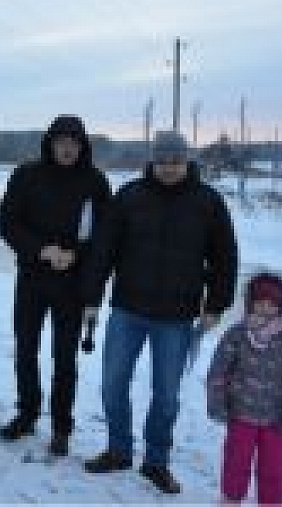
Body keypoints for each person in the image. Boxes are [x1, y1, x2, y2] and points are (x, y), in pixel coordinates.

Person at [81, 130, 238, 494]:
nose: (169, 168)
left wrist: (215, 305)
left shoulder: (207, 202)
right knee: (112, 385)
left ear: (187, 161)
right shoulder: (129, 196)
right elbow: (103, 250)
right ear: (152, 161)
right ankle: (118, 450)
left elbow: (225, 257)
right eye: (162, 161)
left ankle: (156, 461)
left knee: (166, 395)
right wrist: (91, 296)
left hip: (177, 318)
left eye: (176, 161)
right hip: (127, 310)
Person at [0, 115, 111, 456]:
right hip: (32, 278)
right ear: (50, 143)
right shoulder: (26, 175)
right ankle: (27, 413)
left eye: (74, 142)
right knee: (25, 350)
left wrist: (76, 257)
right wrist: (42, 250)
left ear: (83, 146)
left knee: (64, 358)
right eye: (61, 141)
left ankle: (62, 426)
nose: (67, 148)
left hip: (72, 285)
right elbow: (7, 224)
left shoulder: (95, 181)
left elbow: (104, 237)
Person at [206, 271, 282, 505]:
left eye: (272, 304)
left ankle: (271, 501)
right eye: (260, 302)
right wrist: (217, 404)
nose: (265, 308)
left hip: (275, 420)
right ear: (250, 303)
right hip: (240, 416)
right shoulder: (237, 335)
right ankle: (231, 498)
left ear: (280, 307)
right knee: (236, 462)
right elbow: (219, 371)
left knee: (273, 468)